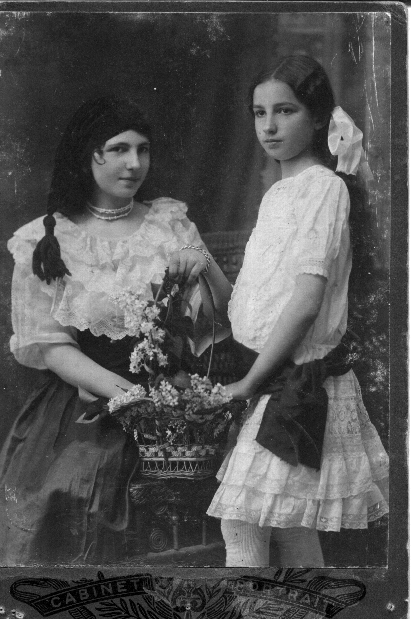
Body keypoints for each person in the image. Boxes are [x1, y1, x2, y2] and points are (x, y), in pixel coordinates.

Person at [1, 95, 232, 565]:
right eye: (119, 149)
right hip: (86, 399)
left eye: (143, 150)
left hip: (173, 392)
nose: (134, 163)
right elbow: (52, 348)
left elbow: (223, 314)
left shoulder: (169, 222)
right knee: (72, 492)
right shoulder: (46, 238)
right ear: (88, 155)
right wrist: (127, 396)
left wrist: (201, 259)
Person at [204, 55, 389, 567]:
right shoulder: (278, 196)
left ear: (318, 116)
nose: (269, 126)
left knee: (245, 523)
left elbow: (306, 303)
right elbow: (250, 305)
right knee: (290, 526)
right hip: (275, 377)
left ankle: (251, 612)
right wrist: (200, 259)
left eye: (285, 111)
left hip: (298, 385)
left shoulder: (323, 188)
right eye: (259, 112)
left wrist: (247, 383)